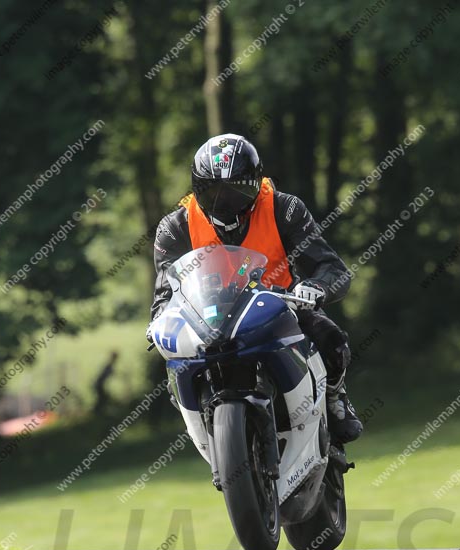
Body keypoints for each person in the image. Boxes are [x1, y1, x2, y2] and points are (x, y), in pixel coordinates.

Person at [148, 134, 362, 444]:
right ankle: (210, 432)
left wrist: (315, 287)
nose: (224, 201)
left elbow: (331, 267)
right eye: (212, 191)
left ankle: (334, 395)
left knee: (331, 339)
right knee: (176, 368)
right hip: (208, 321)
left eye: (237, 189)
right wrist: (158, 320)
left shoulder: (284, 209)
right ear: (196, 187)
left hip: (279, 309)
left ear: (256, 182)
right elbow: (165, 290)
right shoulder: (175, 227)